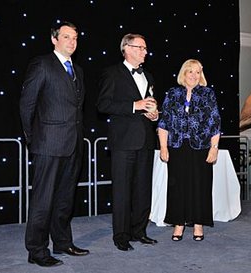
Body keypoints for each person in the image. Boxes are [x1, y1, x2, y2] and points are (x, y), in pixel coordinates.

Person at [19, 21, 89, 267]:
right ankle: (37, 250)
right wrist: (33, 138)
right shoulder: (42, 64)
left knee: (64, 199)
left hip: (72, 146)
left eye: (75, 38)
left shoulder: (77, 70)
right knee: (43, 200)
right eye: (67, 37)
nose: (72, 42)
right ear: (54, 39)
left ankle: (62, 242)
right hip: (47, 144)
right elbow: (27, 105)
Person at [97, 33, 159, 251]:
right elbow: (103, 104)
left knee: (143, 189)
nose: (145, 51)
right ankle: (121, 236)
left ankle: (139, 231)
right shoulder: (112, 73)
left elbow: (149, 105)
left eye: (145, 48)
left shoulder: (149, 76)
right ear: (128, 48)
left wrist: (154, 115)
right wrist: (135, 105)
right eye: (141, 47)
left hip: (146, 140)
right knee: (122, 190)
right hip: (123, 141)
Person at [157, 59, 221, 242]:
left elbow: (215, 122)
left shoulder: (208, 93)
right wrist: (163, 146)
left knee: (200, 185)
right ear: (183, 73)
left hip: (201, 146)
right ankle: (179, 223)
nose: (194, 75)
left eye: (198, 72)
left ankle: (199, 223)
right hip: (177, 146)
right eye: (190, 71)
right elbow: (164, 122)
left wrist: (214, 147)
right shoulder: (172, 93)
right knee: (177, 186)